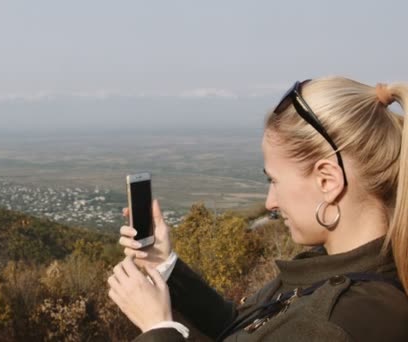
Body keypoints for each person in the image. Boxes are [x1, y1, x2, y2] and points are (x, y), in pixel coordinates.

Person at [107, 77, 408, 341]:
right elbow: (242, 328)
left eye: (274, 181)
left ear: (327, 180)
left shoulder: (336, 324)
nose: (270, 203)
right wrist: (165, 265)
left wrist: (158, 327)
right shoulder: (336, 271)